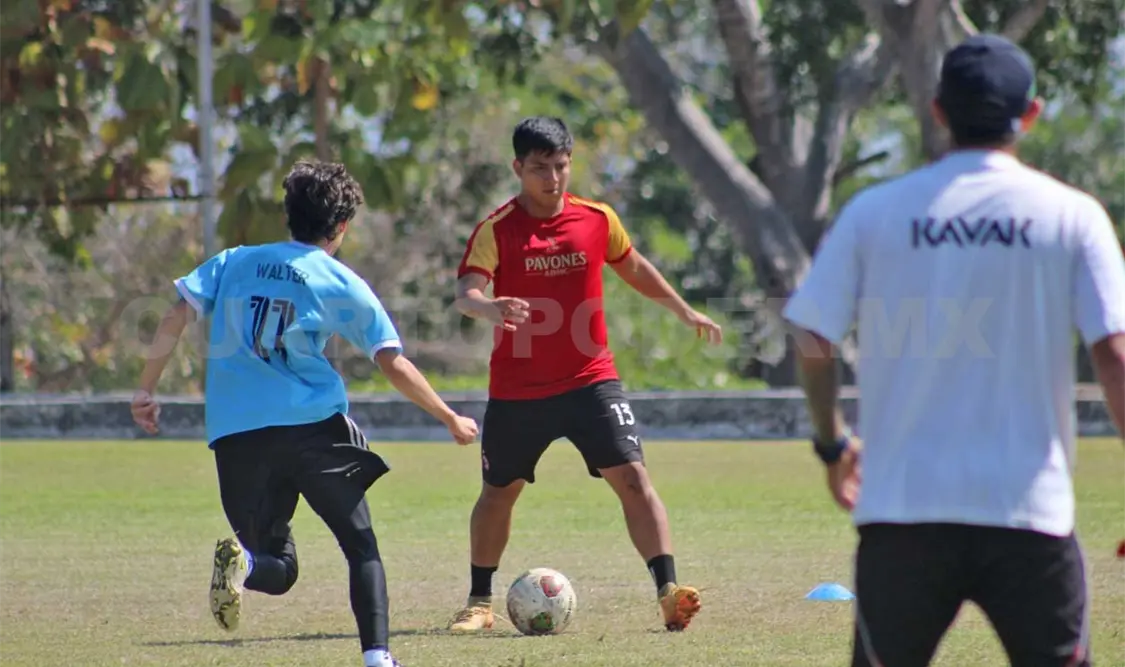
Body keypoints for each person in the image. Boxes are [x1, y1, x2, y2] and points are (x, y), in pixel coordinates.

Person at [782, 34, 1125, 667]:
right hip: (1028, 514)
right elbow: (1115, 356)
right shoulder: (1073, 216)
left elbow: (811, 335)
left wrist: (832, 443)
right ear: (1031, 114)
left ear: (938, 110)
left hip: (902, 515)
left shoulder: (875, 212)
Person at [130, 160, 480, 667]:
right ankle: (378, 658)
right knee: (361, 546)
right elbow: (391, 361)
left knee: (278, 566)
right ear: (341, 227)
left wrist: (145, 389)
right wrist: (449, 417)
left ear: (288, 214)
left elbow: (176, 312)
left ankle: (246, 564)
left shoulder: (233, 262)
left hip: (237, 436)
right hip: (313, 429)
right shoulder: (340, 281)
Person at [446, 116, 723, 634]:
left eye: (560, 166)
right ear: (517, 168)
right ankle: (479, 604)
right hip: (518, 390)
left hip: (591, 380)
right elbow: (466, 293)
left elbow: (633, 265)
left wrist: (684, 311)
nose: (552, 179)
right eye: (539, 169)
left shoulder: (596, 219)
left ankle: (668, 592)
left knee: (635, 479)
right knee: (498, 492)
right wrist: (490, 307)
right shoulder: (497, 228)